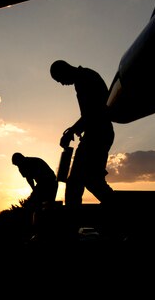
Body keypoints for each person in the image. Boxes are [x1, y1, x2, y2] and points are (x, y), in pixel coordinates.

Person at [50, 60, 115, 208]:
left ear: (64, 71)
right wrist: (74, 129)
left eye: (60, 80)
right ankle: (117, 210)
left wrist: (72, 131)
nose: (62, 84)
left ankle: (71, 225)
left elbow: (94, 113)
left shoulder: (85, 79)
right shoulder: (84, 78)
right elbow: (90, 114)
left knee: (78, 182)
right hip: (98, 133)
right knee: (89, 180)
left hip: (98, 134)